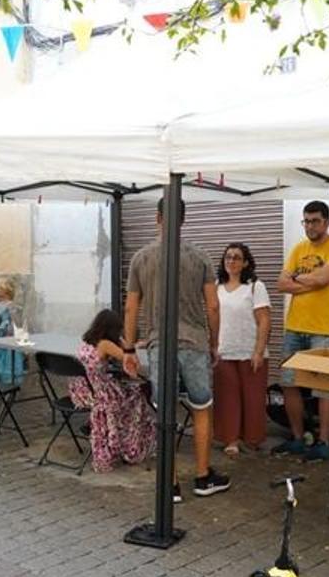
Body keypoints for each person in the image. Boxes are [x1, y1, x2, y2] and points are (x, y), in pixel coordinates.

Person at [125, 198, 229, 500]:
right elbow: (212, 305)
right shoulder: (200, 257)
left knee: (165, 413)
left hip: (160, 345)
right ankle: (202, 477)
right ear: (183, 219)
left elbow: (131, 308)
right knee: (201, 408)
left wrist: (129, 349)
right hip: (195, 342)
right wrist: (213, 344)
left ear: (158, 217)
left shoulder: (141, 258)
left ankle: (169, 485)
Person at [274, 200, 329, 462]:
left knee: (324, 387)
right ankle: (297, 438)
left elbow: (323, 278)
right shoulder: (298, 249)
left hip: (324, 329)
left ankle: (324, 440)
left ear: (327, 222)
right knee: (289, 383)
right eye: (306, 221)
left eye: (315, 220)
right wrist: (309, 281)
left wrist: (299, 279)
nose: (310, 226)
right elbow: (280, 284)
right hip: (295, 326)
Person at [71, 309, 156, 472]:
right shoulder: (106, 344)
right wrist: (131, 345)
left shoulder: (87, 341)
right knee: (137, 395)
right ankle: (132, 444)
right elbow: (127, 357)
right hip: (100, 396)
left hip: (82, 392)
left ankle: (108, 431)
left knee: (126, 389)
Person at [213, 243, 271, 455]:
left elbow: (264, 320)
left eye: (237, 257)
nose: (231, 261)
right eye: (228, 257)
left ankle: (252, 439)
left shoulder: (256, 286)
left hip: (250, 352)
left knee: (253, 398)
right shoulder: (216, 286)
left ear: (246, 262)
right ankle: (231, 440)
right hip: (224, 351)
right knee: (227, 398)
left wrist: (258, 351)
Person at [0, 277, 23, 384]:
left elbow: (16, 321)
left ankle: (9, 380)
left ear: (6, 291)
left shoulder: (10, 305)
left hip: (7, 335)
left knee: (7, 359)